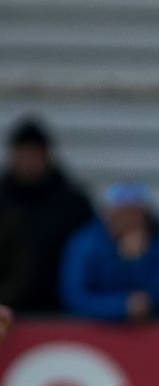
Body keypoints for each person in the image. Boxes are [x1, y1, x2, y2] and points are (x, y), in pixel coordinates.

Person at [0, 116, 94, 315]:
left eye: (34, 154)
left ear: (47, 156)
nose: (28, 161)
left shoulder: (73, 203)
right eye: (23, 154)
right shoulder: (4, 200)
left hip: (61, 312)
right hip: (7, 310)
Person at [59, 182, 159, 322]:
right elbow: (75, 297)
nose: (127, 220)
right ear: (107, 214)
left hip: (146, 329)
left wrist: (138, 263)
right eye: (121, 213)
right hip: (92, 328)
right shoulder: (85, 245)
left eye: (134, 213)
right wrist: (122, 306)